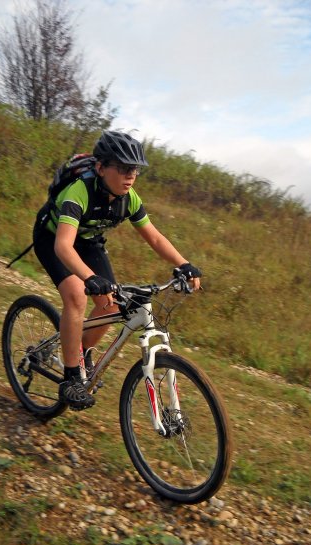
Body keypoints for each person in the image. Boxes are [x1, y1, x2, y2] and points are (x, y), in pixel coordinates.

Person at [33, 130, 202, 411]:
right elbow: (64, 247)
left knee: (111, 304)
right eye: (123, 168)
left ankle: (80, 352)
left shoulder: (129, 198)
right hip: (53, 239)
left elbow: (155, 238)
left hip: (88, 242)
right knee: (77, 295)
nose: (131, 175)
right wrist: (89, 278)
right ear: (101, 167)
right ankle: (71, 378)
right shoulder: (79, 192)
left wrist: (183, 264)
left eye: (134, 169)